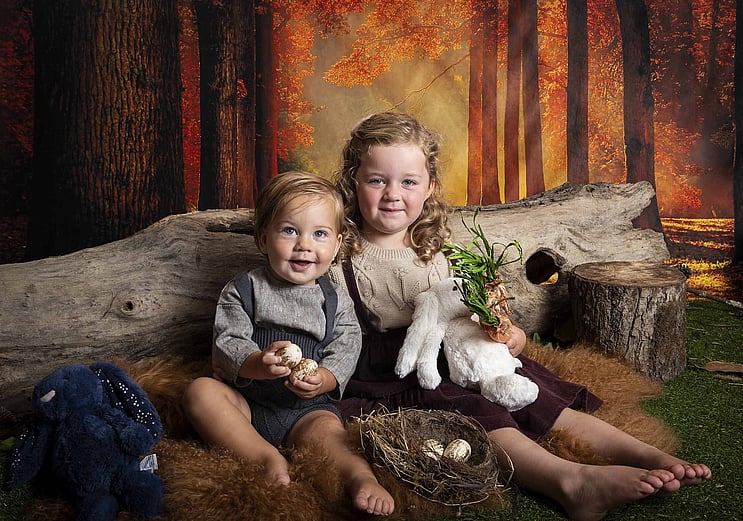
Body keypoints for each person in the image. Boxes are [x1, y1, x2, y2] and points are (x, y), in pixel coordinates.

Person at [327, 112, 711, 521]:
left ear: (430, 187)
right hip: (398, 372)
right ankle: (569, 481)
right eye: (376, 180)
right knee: (477, 410)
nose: (392, 194)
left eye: (408, 182)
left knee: (536, 392)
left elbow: (475, 311)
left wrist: (509, 336)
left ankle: (645, 453)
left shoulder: (437, 247)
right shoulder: (338, 254)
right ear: (354, 181)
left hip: (463, 353)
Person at [182, 171, 394, 516]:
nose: (304, 245)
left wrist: (324, 379)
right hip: (247, 404)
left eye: (319, 234)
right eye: (289, 231)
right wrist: (257, 363)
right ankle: (264, 457)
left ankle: (360, 477)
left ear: (337, 245)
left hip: (305, 410)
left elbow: (346, 347)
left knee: (330, 435)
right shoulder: (244, 290)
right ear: (263, 238)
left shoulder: (335, 300)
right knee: (200, 392)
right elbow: (227, 341)